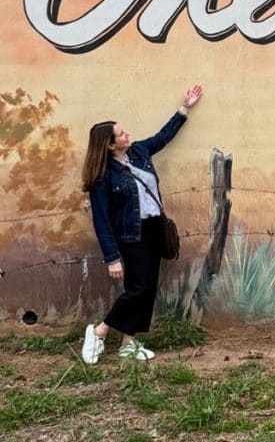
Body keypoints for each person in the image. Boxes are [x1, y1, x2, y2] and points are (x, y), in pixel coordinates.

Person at [79, 85, 203, 364]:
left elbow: (163, 137)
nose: (127, 135)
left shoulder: (138, 153)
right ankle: (98, 332)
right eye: (121, 134)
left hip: (154, 229)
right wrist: (112, 257)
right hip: (131, 235)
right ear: (110, 145)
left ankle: (129, 343)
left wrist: (184, 108)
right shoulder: (104, 177)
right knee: (139, 288)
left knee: (148, 287)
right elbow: (101, 219)